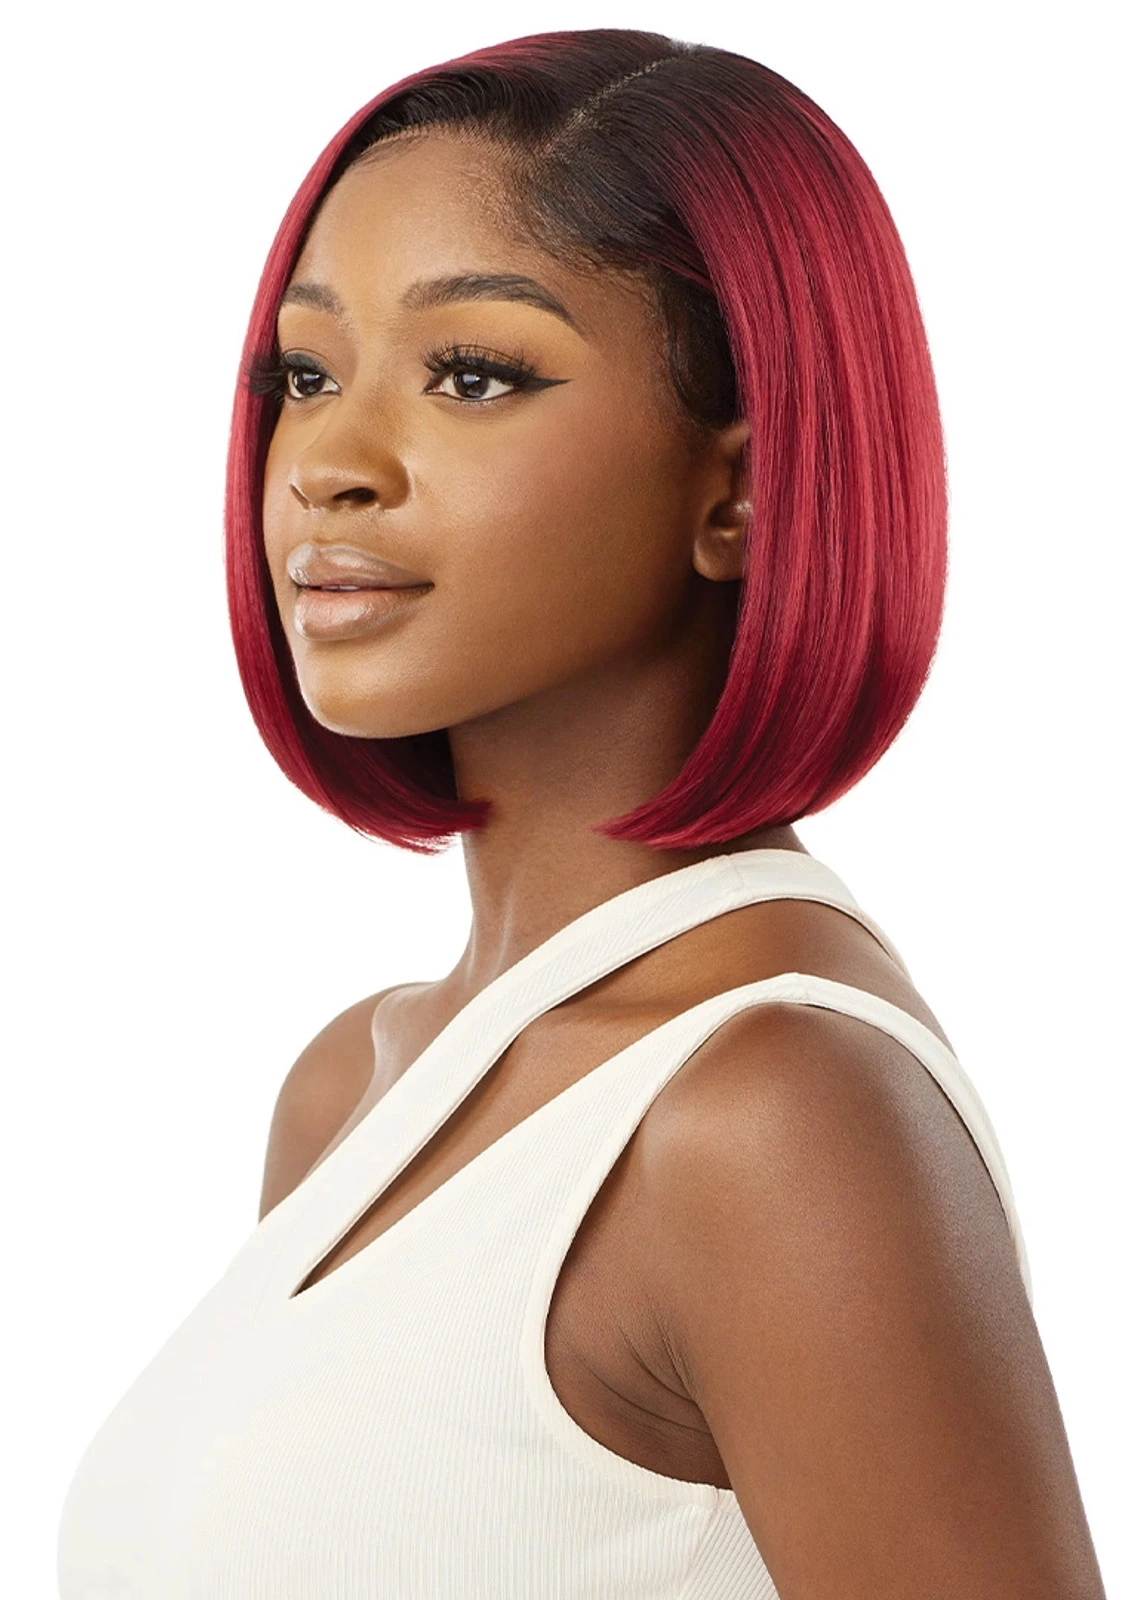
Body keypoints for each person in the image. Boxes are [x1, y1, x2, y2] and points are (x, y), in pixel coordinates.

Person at [56, 26, 1107, 1598]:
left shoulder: (773, 1111)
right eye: (306, 373)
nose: (328, 462)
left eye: (473, 373)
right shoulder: (352, 1087)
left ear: (738, 488)